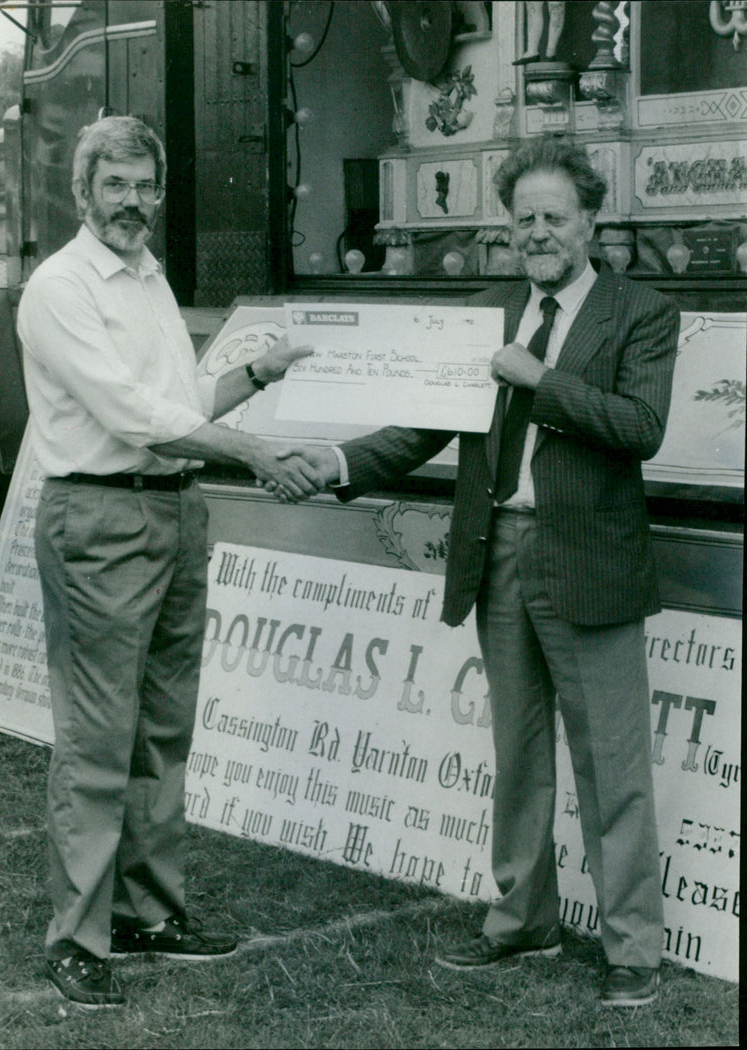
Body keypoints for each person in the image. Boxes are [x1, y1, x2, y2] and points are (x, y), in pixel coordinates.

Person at [276, 139, 679, 1007]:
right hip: (499, 554)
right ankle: (523, 921)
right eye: (524, 218)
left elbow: (643, 425)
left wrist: (540, 379)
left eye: (555, 217)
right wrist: (334, 462)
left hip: (592, 562)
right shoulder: (482, 317)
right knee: (519, 753)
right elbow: (415, 431)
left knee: (612, 763)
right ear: (510, 227)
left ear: (591, 220)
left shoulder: (639, 312)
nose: (539, 233)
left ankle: (633, 950)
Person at [17, 116, 322, 1008]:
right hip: (101, 520)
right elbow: (128, 415)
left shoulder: (148, 276)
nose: (134, 202)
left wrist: (258, 376)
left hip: (173, 511)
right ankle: (77, 935)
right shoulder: (59, 287)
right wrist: (254, 454)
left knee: (160, 730)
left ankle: (147, 913)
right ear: (83, 192)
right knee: (96, 739)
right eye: (115, 185)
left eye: (146, 184)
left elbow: (177, 402)